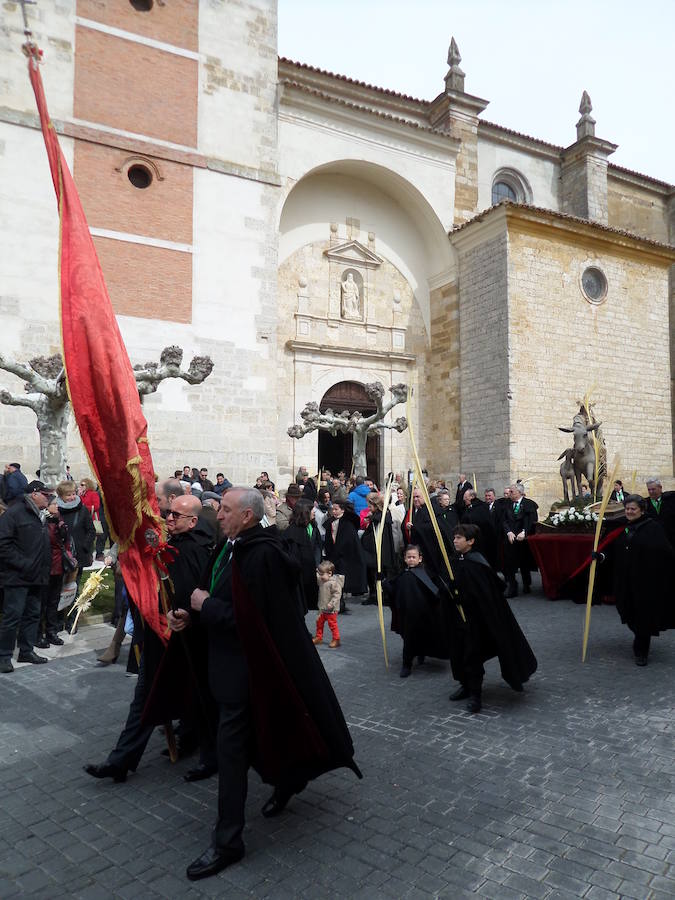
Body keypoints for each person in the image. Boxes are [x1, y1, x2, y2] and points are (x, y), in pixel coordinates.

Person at [176, 487, 361, 880]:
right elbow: (221, 595)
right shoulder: (231, 546)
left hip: (248, 672)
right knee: (264, 738)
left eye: (225, 510)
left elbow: (253, 620)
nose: (217, 515)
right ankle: (288, 779)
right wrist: (193, 614)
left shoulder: (262, 554)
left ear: (246, 516)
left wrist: (204, 606)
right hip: (226, 667)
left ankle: (228, 842)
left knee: (231, 755)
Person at [83, 493, 213, 781]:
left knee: (197, 697)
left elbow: (191, 593)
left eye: (174, 515)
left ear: (192, 521)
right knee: (146, 697)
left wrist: (177, 612)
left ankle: (204, 752)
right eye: (168, 512)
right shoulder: (175, 544)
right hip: (160, 636)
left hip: (183, 639)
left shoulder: (193, 549)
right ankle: (121, 760)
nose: (168, 518)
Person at [449, 524, 538, 713]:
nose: (455, 540)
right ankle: (466, 686)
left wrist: (465, 596)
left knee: (476, 653)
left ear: (471, 541)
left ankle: (476, 695)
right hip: (460, 618)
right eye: (454, 537)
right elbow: (452, 585)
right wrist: (452, 592)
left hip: (480, 619)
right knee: (462, 653)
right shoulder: (456, 561)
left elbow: (487, 593)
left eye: (459, 538)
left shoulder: (477, 563)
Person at [604, 495, 675, 665]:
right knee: (628, 613)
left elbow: (665, 553)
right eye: (627, 508)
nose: (629, 511)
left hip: (646, 583)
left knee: (643, 617)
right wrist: (601, 556)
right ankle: (639, 633)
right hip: (626, 582)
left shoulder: (653, 528)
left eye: (633, 509)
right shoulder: (624, 528)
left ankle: (641, 651)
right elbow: (614, 551)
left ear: (642, 510)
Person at [0, 481, 52, 672]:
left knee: (32, 615)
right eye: (46, 495)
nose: (49, 498)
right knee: (12, 616)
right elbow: (3, 544)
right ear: (34, 494)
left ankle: (26, 650)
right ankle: (4, 655)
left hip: (36, 576)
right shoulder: (14, 513)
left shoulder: (40, 515)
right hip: (17, 576)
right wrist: (24, 564)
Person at [384, 544, 452, 679]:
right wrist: (384, 582)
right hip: (407, 615)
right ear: (404, 559)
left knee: (423, 635)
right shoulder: (403, 574)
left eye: (413, 557)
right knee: (408, 640)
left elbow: (435, 591)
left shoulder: (426, 573)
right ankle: (407, 664)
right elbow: (394, 592)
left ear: (420, 558)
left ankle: (420, 654)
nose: (411, 559)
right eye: (408, 557)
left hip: (424, 614)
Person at [37, 496, 75, 649]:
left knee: (53, 601)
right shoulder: (42, 521)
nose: (58, 507)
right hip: (45, 566)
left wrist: (61, 526)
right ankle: (38, 634)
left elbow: (66, 541)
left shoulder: (60, 521)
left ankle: (51, 632)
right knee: (41, 603)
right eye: (55, 504)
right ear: (48, 506)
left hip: (58, 566)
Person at [281, 499, 322, 611]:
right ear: (305, 512)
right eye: (311, 509)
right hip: (300, 577)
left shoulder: (311, 526)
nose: (314, 511)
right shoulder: (293, 532)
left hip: (310, 571)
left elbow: (317, 545)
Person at [324, 500, 367, 605]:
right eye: (332, 509)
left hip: (344, 555)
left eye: (336, 509)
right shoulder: (331, 522)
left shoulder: (347, 523)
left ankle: (340, 601)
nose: (333, 511)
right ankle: (338, 600)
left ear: (342, 510)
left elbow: (347, 540)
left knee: (341, 577)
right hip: (334, 554)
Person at [502, 484, 538, 597]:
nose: (510, 494)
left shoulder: (529, 504)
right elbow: (503, 520)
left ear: (519, 492)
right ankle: (512, 586)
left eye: (512, 492)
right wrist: (508, 532)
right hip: (511, 538)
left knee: (524, 563)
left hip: (523, 539)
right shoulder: (507, 504)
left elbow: (532, 520)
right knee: (510, 563)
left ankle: (527, 584)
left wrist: (525, 532)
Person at [360, 492, 396, 604]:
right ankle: (374, 594)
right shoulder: (377, 517)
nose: (369, 508)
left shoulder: (381, 518)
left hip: (378, 551)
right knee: (372, 573)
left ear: (376, 506)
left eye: (370, 506)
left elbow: (375, 536)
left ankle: (383, 596)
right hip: (374, 551)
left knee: (379, 573)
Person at [461, 489, 498, 569]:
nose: (464, 499)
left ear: (472, 497)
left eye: (466, 497)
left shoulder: (481, 507)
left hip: (483, 541)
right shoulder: (469, 507)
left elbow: (485, 523)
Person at [313, 561, 343, 648]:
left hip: (331, 610)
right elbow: (319, 576)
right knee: (319, 623)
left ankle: (336, 639)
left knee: (332, 625)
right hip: (322, 608)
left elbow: (337, 595)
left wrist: (332, 603)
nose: (320, 576)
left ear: (330, 573)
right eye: (320, 574)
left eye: (322, 574)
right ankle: (319, 637)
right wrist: (317, 572)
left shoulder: (334, 583)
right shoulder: (322, 580)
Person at [643, 477, 675, 547]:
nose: (651, 492)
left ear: (660, 488)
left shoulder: (671, 499)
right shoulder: (645, 503)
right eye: (649, 490)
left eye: (653, 489)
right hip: (654, 541)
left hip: (671, 539)